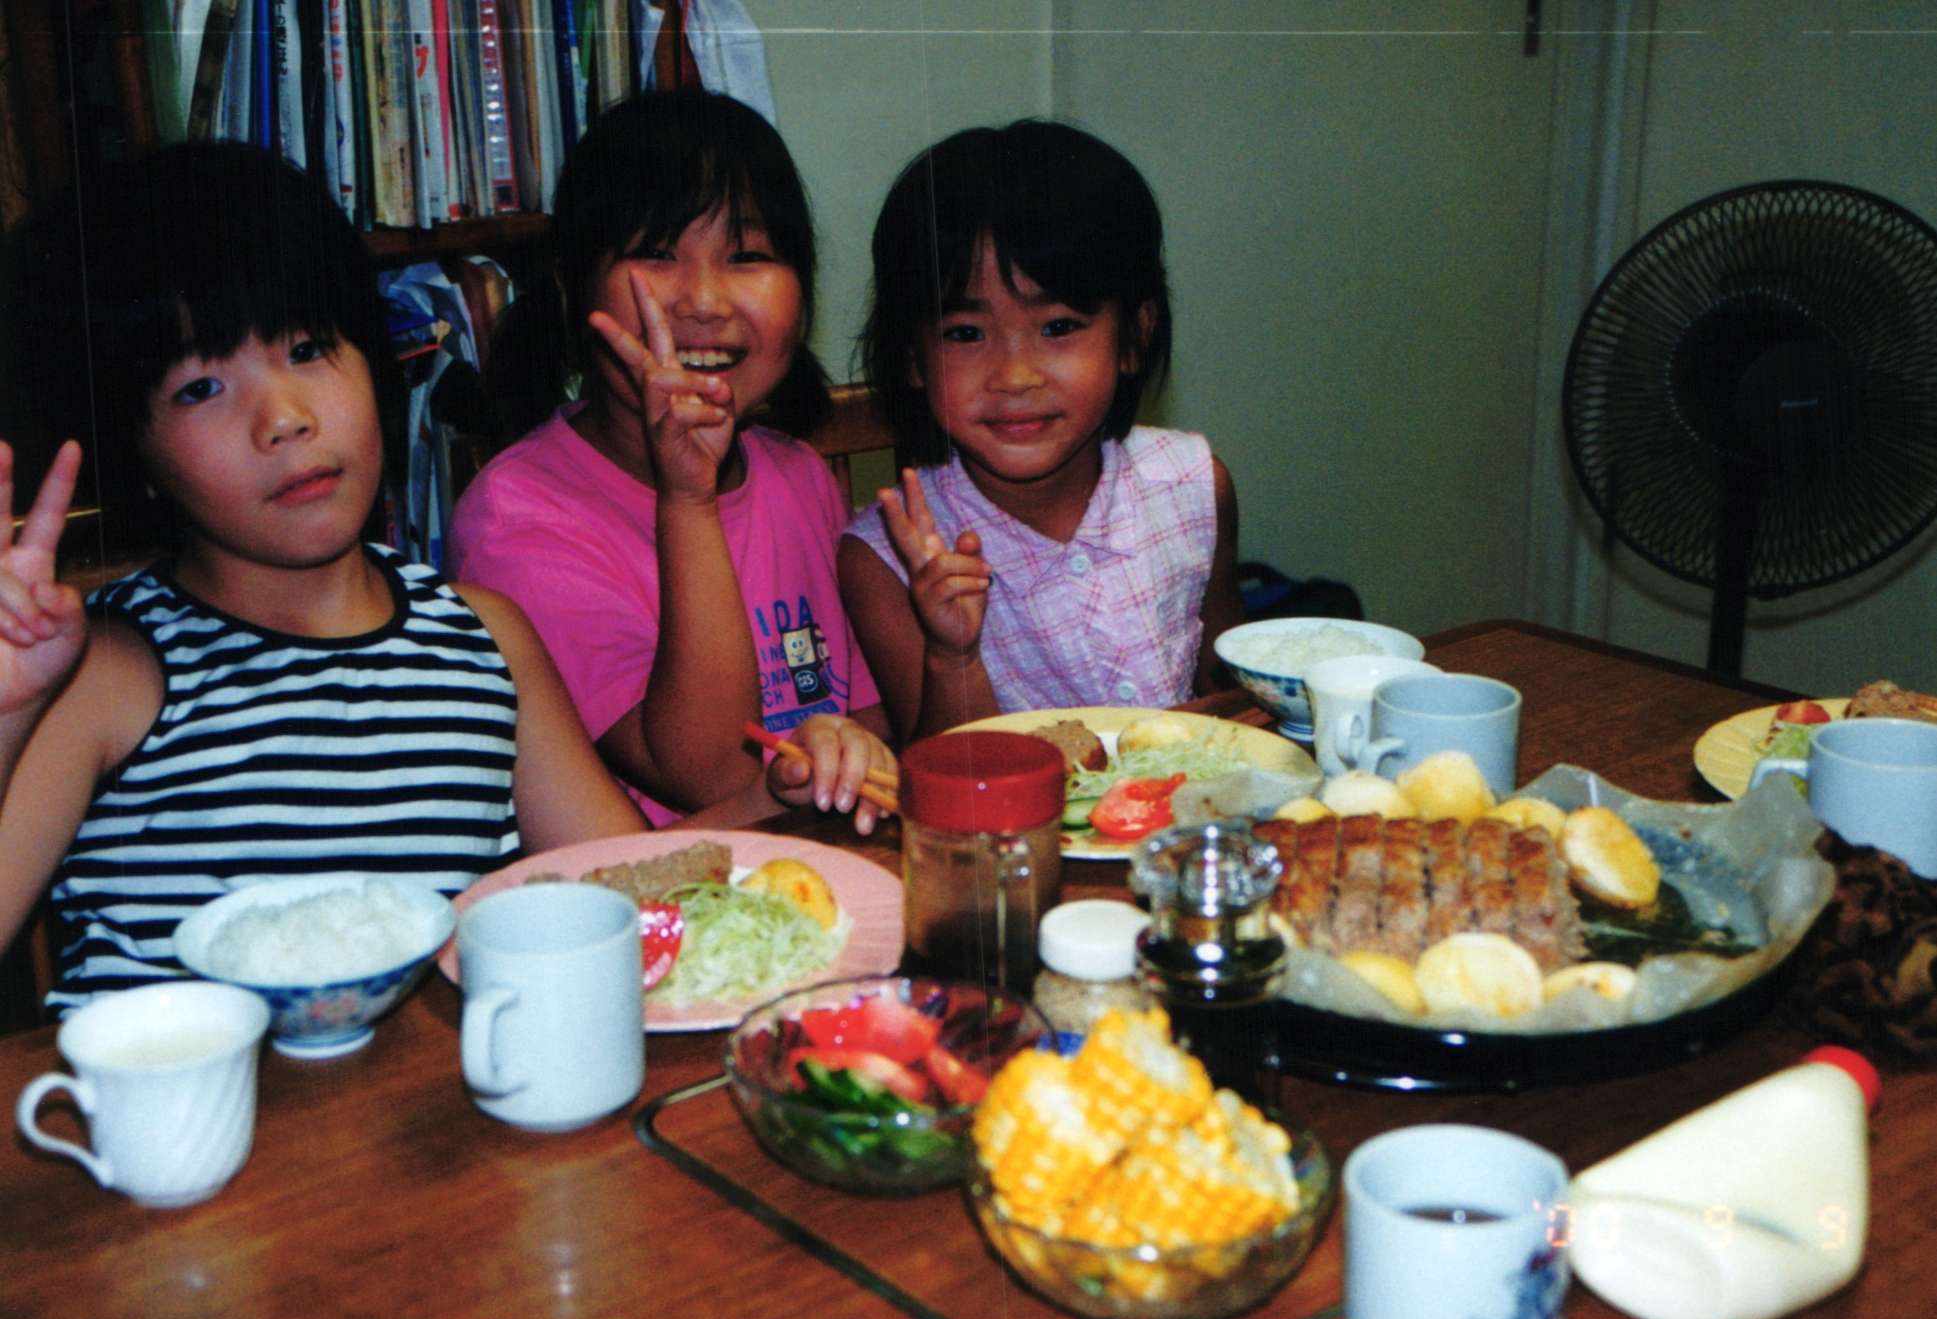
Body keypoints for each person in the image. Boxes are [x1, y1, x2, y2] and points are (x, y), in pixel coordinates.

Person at [0, 142, 872, 1012]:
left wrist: (769, 796)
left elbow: (616, 889)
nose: (284, 419)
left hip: (443, 1096)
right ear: (134, 454)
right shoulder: (102, 672)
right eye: (199, 390)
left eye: (308, 349)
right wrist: (6, 713)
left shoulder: (481, 637)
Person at [448, 89, 890, 824]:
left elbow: (868, 715)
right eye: (656, 253)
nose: (705, 301)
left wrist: (856, 751)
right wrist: (690, 497)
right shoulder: (515, 523)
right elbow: (712, 773)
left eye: (748, 256)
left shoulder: (797, 472)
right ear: (571, 287)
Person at [840, 120, 1244, 741]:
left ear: (1133, 336)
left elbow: (1234, 698)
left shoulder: (1193, 488)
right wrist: (953, 656)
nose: (1015, 376)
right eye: (965, 333)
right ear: (913, 358)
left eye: (1058, 327)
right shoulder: (886, 558)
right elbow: (950, 774)